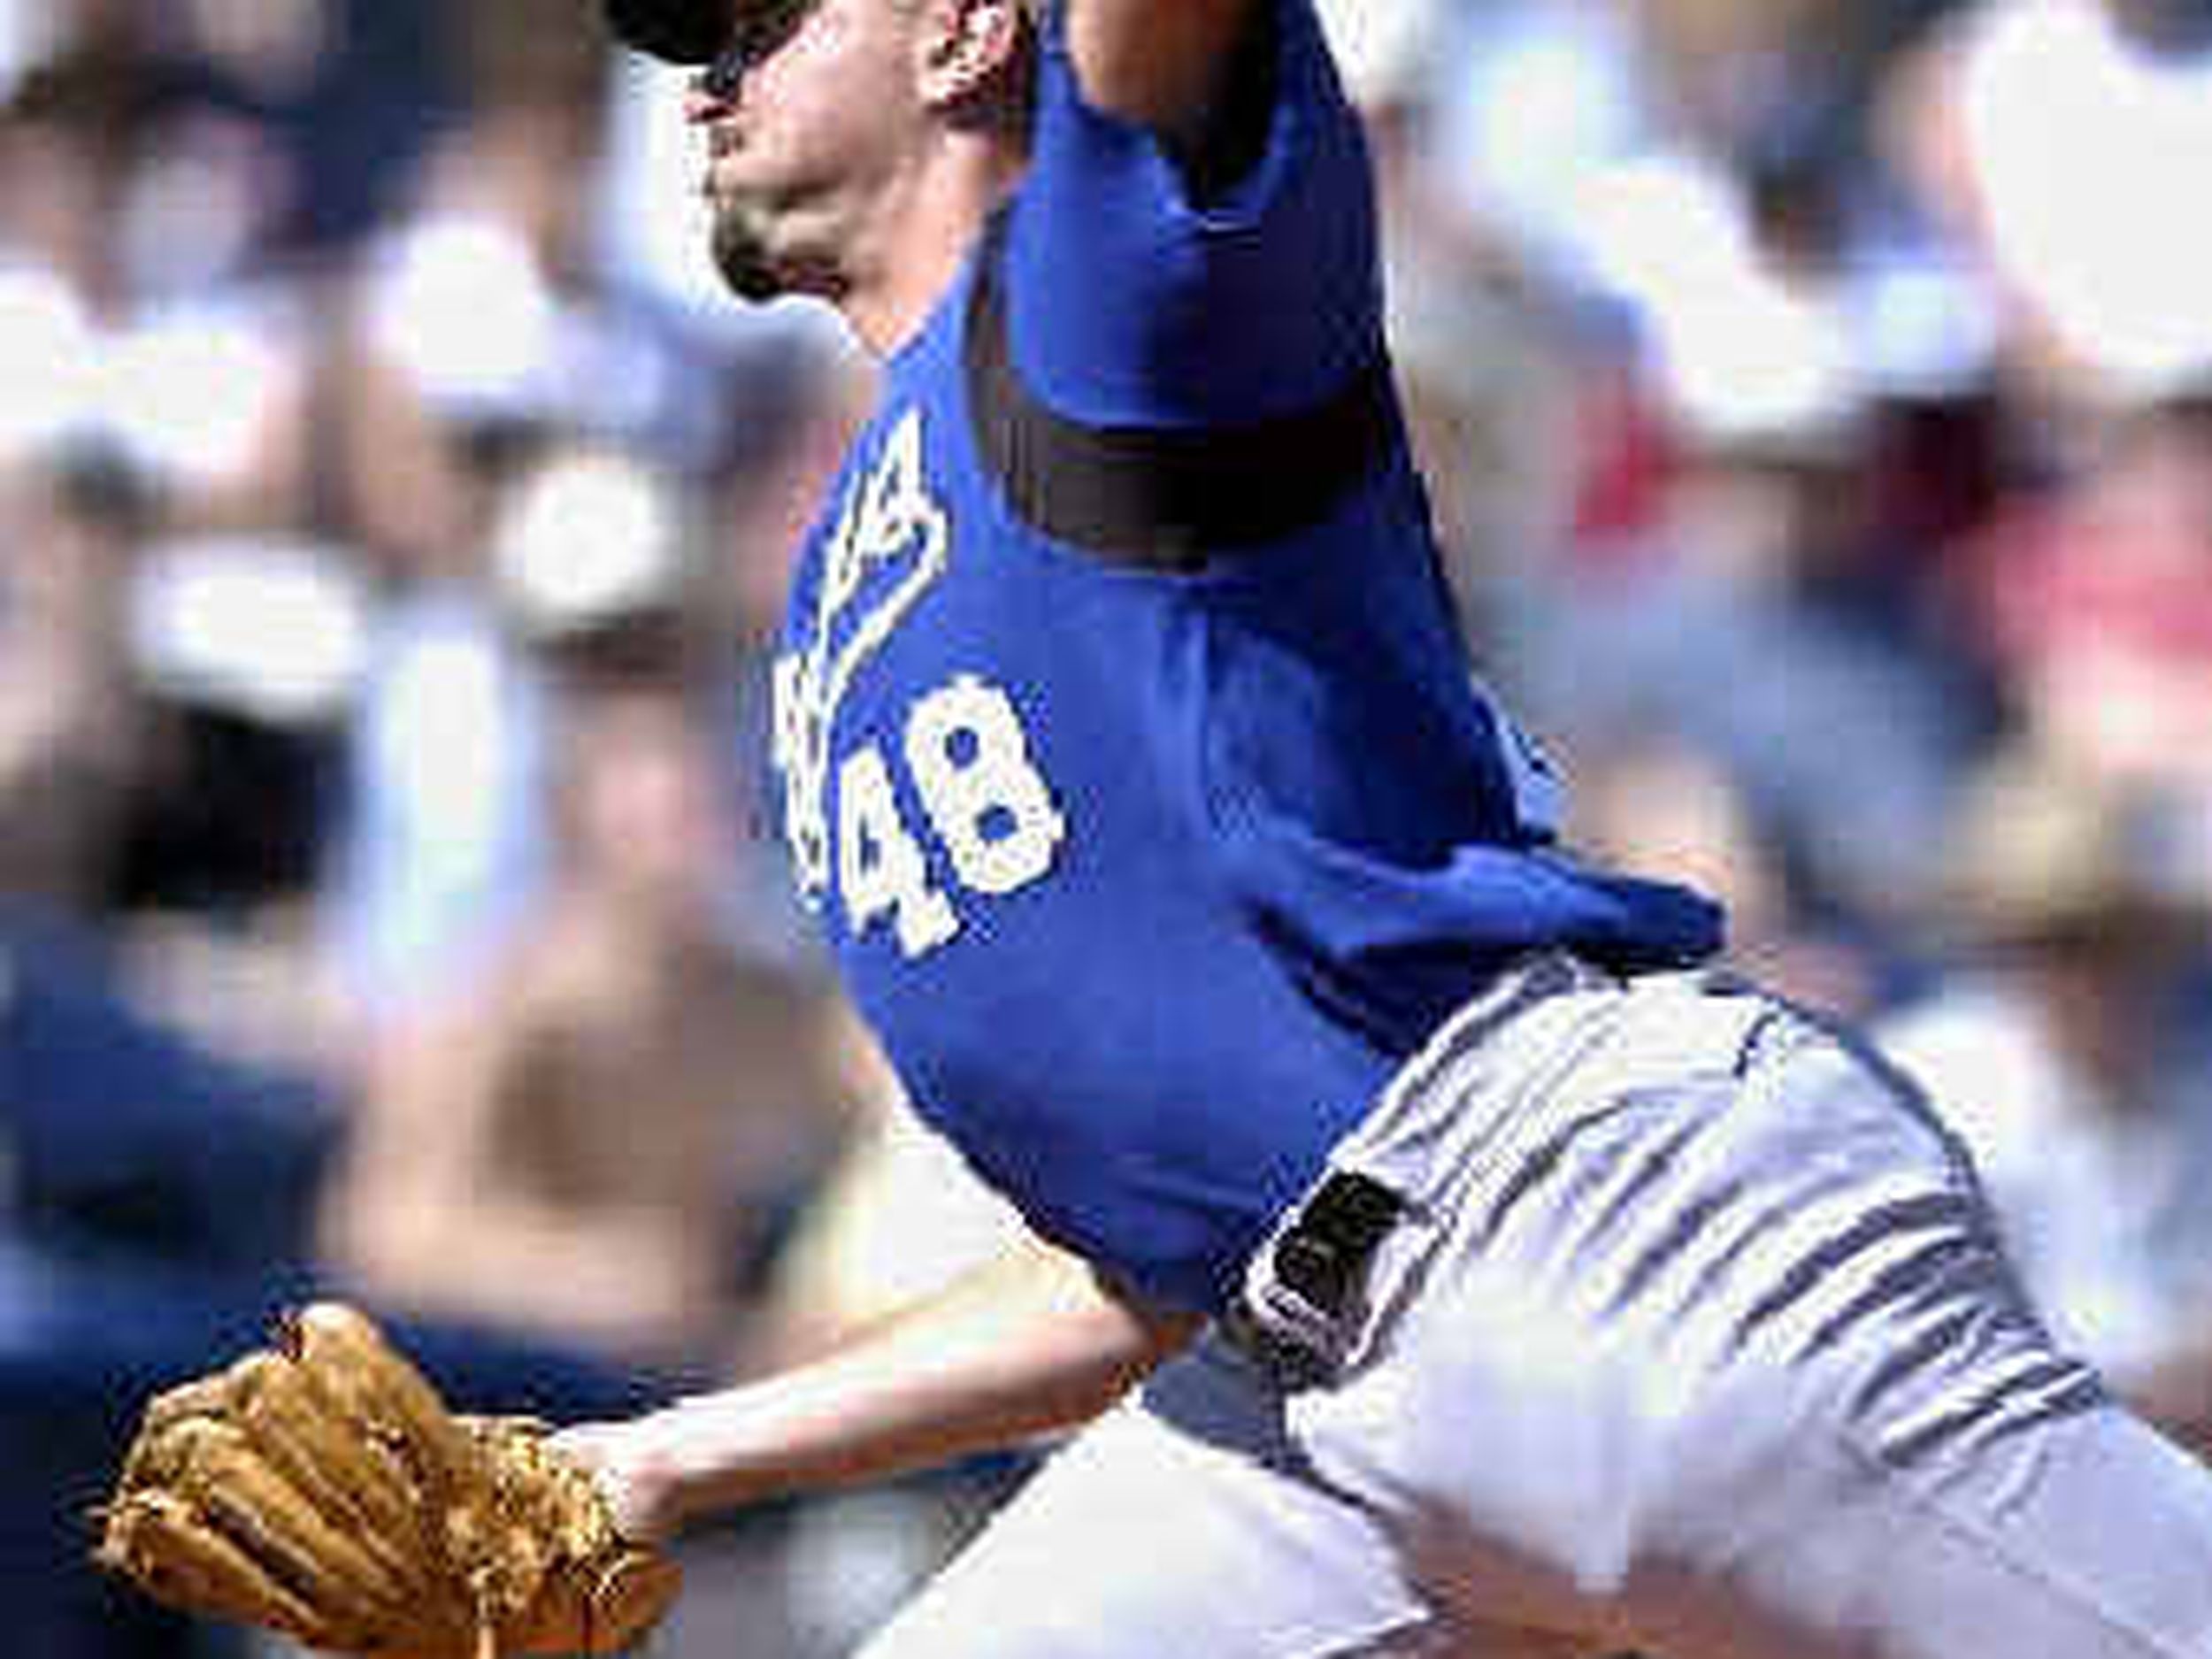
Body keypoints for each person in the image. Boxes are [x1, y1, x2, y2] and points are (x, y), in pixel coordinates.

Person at [560, 1, 2212, 1655]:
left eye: (763, 19)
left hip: (1594, 1230)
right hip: (1299, 1394)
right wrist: (658, 1463)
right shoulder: (848, 558)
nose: (705, 76)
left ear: (963, 30)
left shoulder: (1099, 292)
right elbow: (1150, 1251)